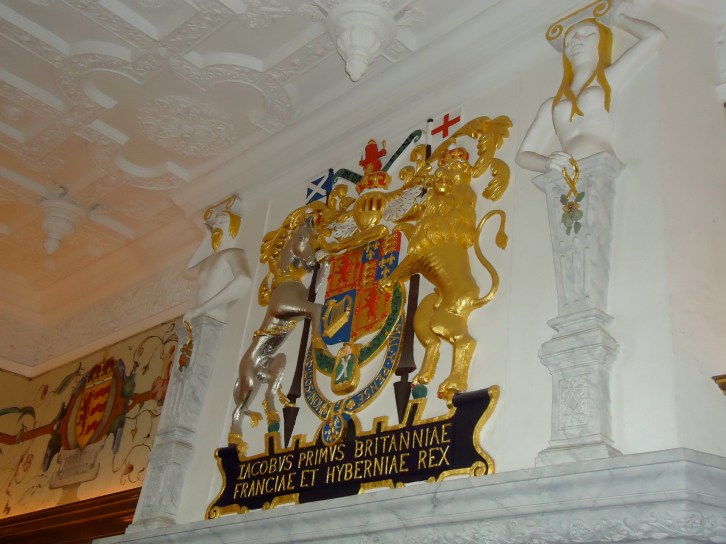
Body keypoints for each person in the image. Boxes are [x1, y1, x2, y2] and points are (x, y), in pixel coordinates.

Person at [516, 3, 665, 174]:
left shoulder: (608, 78)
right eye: (569, 40)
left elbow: (655, 37)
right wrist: (547, 163)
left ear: (600, 40)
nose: (576, 40)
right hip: (566, 174)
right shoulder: (552, 104)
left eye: (587, 33)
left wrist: (618, 19)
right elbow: (522, 156)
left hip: (602, 167)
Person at [183, 195, 251, 324]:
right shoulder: (208, 261)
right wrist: (207, 239)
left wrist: (202, 309)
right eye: (215, 224)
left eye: (222, 222)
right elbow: (187, 273)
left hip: (212, 317)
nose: (216, 227)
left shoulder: (232, 253)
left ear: (232, 228)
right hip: (199, 317)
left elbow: (244, 280)